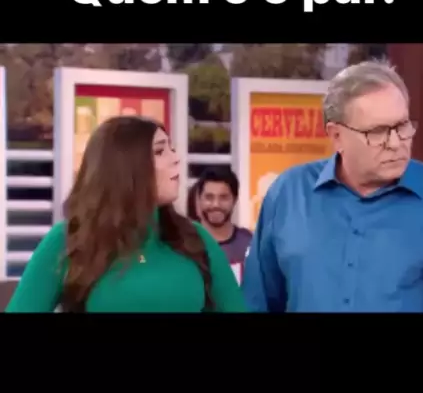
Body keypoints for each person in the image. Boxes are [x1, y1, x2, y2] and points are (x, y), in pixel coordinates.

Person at [242, 60, 423, 312]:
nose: (395, 143)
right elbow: (258, 301)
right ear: (336, 136)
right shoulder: (289, 194)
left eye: (402, 126)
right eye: (377, 132)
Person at [5, 116, 246, 313]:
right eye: (160, 151)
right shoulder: (71, 239)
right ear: (126, 167)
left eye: (171, 149)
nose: (176, 158)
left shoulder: (195, 239)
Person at [196, 166, 252, 283]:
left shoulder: (249, 245)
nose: (216, 204)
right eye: (209, 197)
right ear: (199, 199)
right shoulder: (185, 243)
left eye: (224, 197)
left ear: (234, 200)